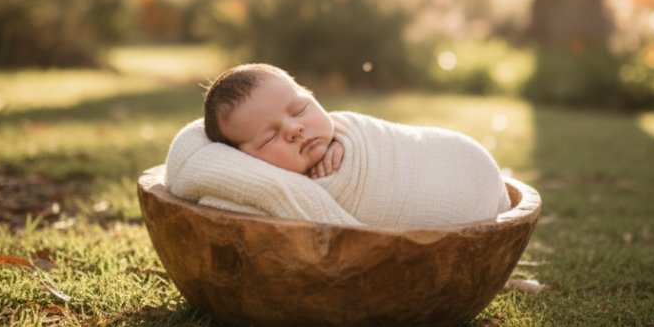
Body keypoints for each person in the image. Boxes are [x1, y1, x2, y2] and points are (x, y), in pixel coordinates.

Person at [164, 63, 511, 227]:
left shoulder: (349, 136)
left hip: (465, 164)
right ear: (243, 161)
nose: (295, 129)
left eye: (300, 108)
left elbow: (367, 135)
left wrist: (348, 144)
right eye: (269, 137)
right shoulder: (269, 184)